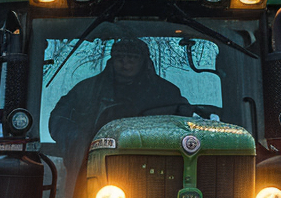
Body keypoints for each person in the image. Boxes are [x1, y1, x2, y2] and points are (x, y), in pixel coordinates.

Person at [49, 38, 188, 177]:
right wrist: (78, 141)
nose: (125, 65)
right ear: (112, 59)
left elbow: (183, 125)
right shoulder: (87, 90)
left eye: (132, 59)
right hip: (96, 165)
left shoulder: (166, 92)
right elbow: (59, 118)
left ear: (143, 61)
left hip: (154, 168)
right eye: (120, 58)